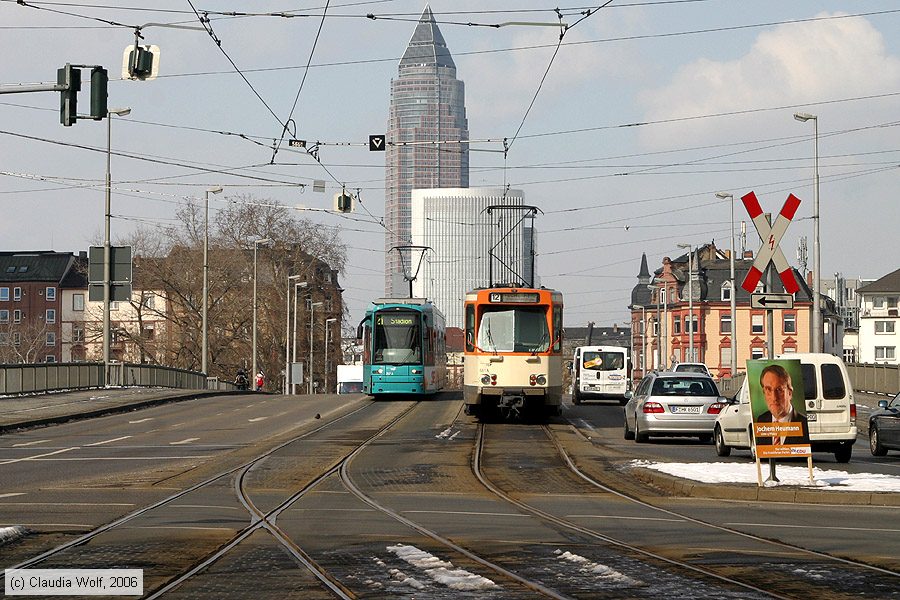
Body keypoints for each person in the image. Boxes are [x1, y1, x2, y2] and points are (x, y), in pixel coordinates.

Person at [756, 364, 809, 445]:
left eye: (779, 390)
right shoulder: (761, 420)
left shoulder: (804, 424)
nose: (774, 398)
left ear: (790, 393)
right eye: (768, 389)